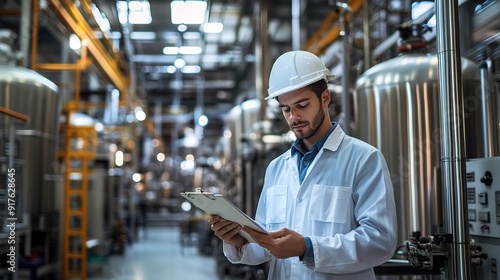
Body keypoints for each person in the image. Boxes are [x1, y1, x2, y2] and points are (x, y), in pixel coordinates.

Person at [208, 50, 397, 279]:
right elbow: (267, 244)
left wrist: (307, 248)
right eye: (286, 109)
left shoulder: (364, 159)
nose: (294, 117)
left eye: (302, 105)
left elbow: (380, 241)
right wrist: (239, 242)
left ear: (325, 98)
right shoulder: (276, 168)